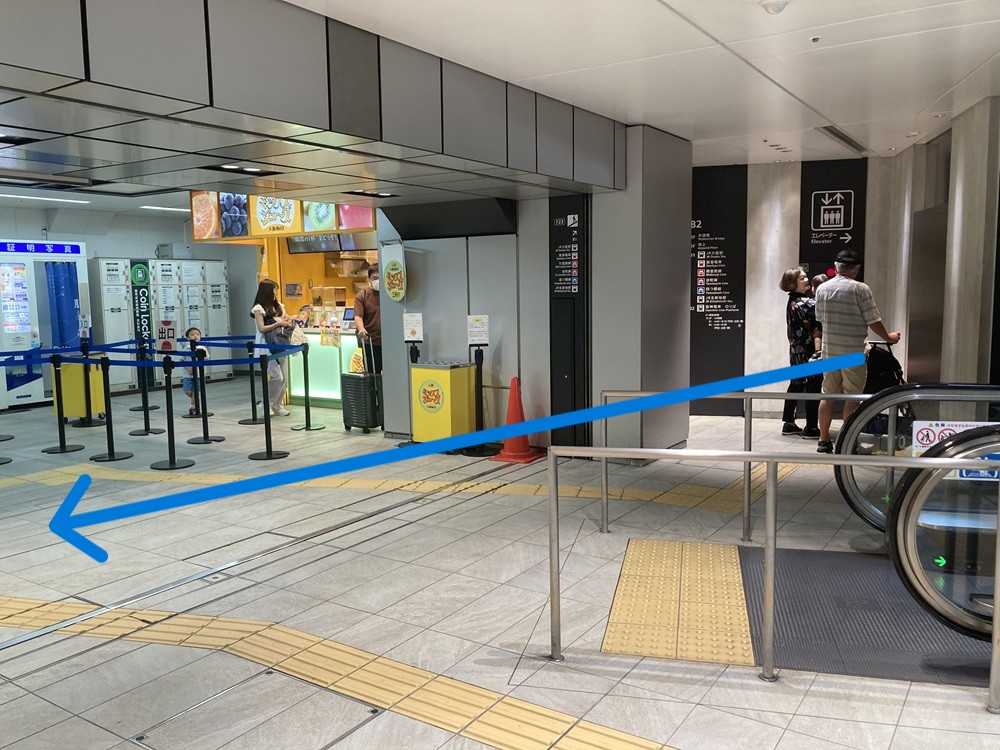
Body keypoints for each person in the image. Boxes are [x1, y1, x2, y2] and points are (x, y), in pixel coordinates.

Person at [815, 250, 900, 453]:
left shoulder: (823, 289)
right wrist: (889, 337)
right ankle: (847, 441)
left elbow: (820, 318)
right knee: (852, 398)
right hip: (853, 353)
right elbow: (873, 320)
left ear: (836, 267)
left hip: (829, 352)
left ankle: (824, 439)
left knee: (827, 396)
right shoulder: (860, 289)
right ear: (857, 269)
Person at [779, 268, 822, 439]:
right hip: (809, 352)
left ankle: (788, 423)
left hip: (796, 351)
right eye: (802, 277)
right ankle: (811, 427)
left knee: (796, 384)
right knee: (813, 386)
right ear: (793, 283)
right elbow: (823, 311)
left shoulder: (792, 302)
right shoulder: (805, 303)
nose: (807, 279)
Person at [251, 279, 293, 417]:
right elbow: (261, 328)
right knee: (277, 377)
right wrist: (278, 324)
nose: (276, 292)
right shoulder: (259, 308)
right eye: (274, 289)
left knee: (285, 379)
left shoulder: (279, 306)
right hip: (266, 346)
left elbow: (287, 319)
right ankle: (265, 403)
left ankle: (277, 405)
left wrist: (290, 320)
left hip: (281, 343)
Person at [354, 264, 382, 373]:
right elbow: (358, 316)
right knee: (372, 374)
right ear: (369, 279)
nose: (378, 281)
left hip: (389, 343)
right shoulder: (362, 295)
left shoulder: (392, 294)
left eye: (380, 278)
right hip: (370, 342)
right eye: (375, 278)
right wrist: (361, 329)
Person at [181, 326, 209, 415]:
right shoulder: (186, 348)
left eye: (197, 334)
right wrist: (189, 368)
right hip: (187, 375)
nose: (195, 336)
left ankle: (192, 406)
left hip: (198, 374)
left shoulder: (202, 348)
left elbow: (207, 358)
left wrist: (197, 366)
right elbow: (181, 360)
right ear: (188, 337)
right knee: (187, 391)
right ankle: (195, 402)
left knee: (196, 390)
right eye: (192, 334)